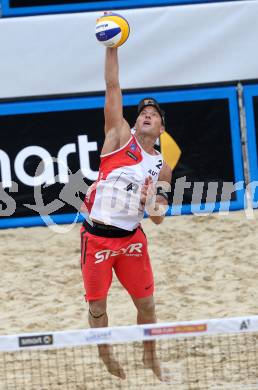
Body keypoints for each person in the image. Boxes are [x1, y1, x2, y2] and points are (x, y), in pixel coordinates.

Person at [80, 46, 172, 381]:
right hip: (98, 237)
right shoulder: (119, 136)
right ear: (135, 122)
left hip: (132, 240)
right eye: (143, 113)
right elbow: (112, 86)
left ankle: (150, 359)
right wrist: (111, 46)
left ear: (161, 128)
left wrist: (150, 204)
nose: (147, 115)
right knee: (97, 307)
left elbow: (160, 216)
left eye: (154, 114)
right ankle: (105, 354)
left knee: (147, 305)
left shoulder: (162, 167)